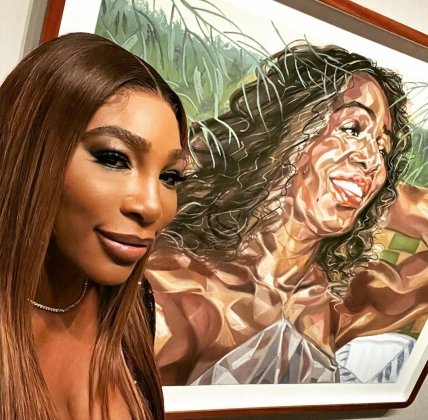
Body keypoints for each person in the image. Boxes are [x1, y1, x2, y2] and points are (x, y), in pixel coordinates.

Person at [146, 42, 428, 385]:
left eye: (383, 147)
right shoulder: (177, 289)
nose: (372, 161)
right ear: (287, 129)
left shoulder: (327, 298)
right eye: (352, 129)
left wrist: (381, 194)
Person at [0, 32, 187, 419]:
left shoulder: (134, 309)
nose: (151, 206)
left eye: (169, 177)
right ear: (30, 152)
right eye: (114, 158)